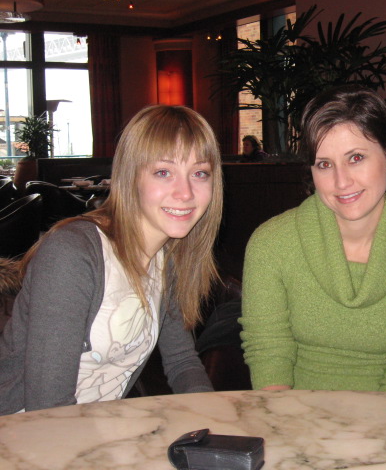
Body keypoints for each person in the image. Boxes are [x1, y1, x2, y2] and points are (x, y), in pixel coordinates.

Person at [0, 105, 223, 414]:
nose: (185, 192)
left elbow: (182, 362)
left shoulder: (167, 259)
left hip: (92, 430)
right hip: (23, 434)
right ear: (131, 178)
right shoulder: (72, 254)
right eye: (163, 172)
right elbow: (47, 408)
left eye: (199, 173)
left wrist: (213, 423)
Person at [240, 85, 386, 392]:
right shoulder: (271, 244)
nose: (341, 182)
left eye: (356, 158)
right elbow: (269, 355)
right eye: (325, 165)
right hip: (292, 419)